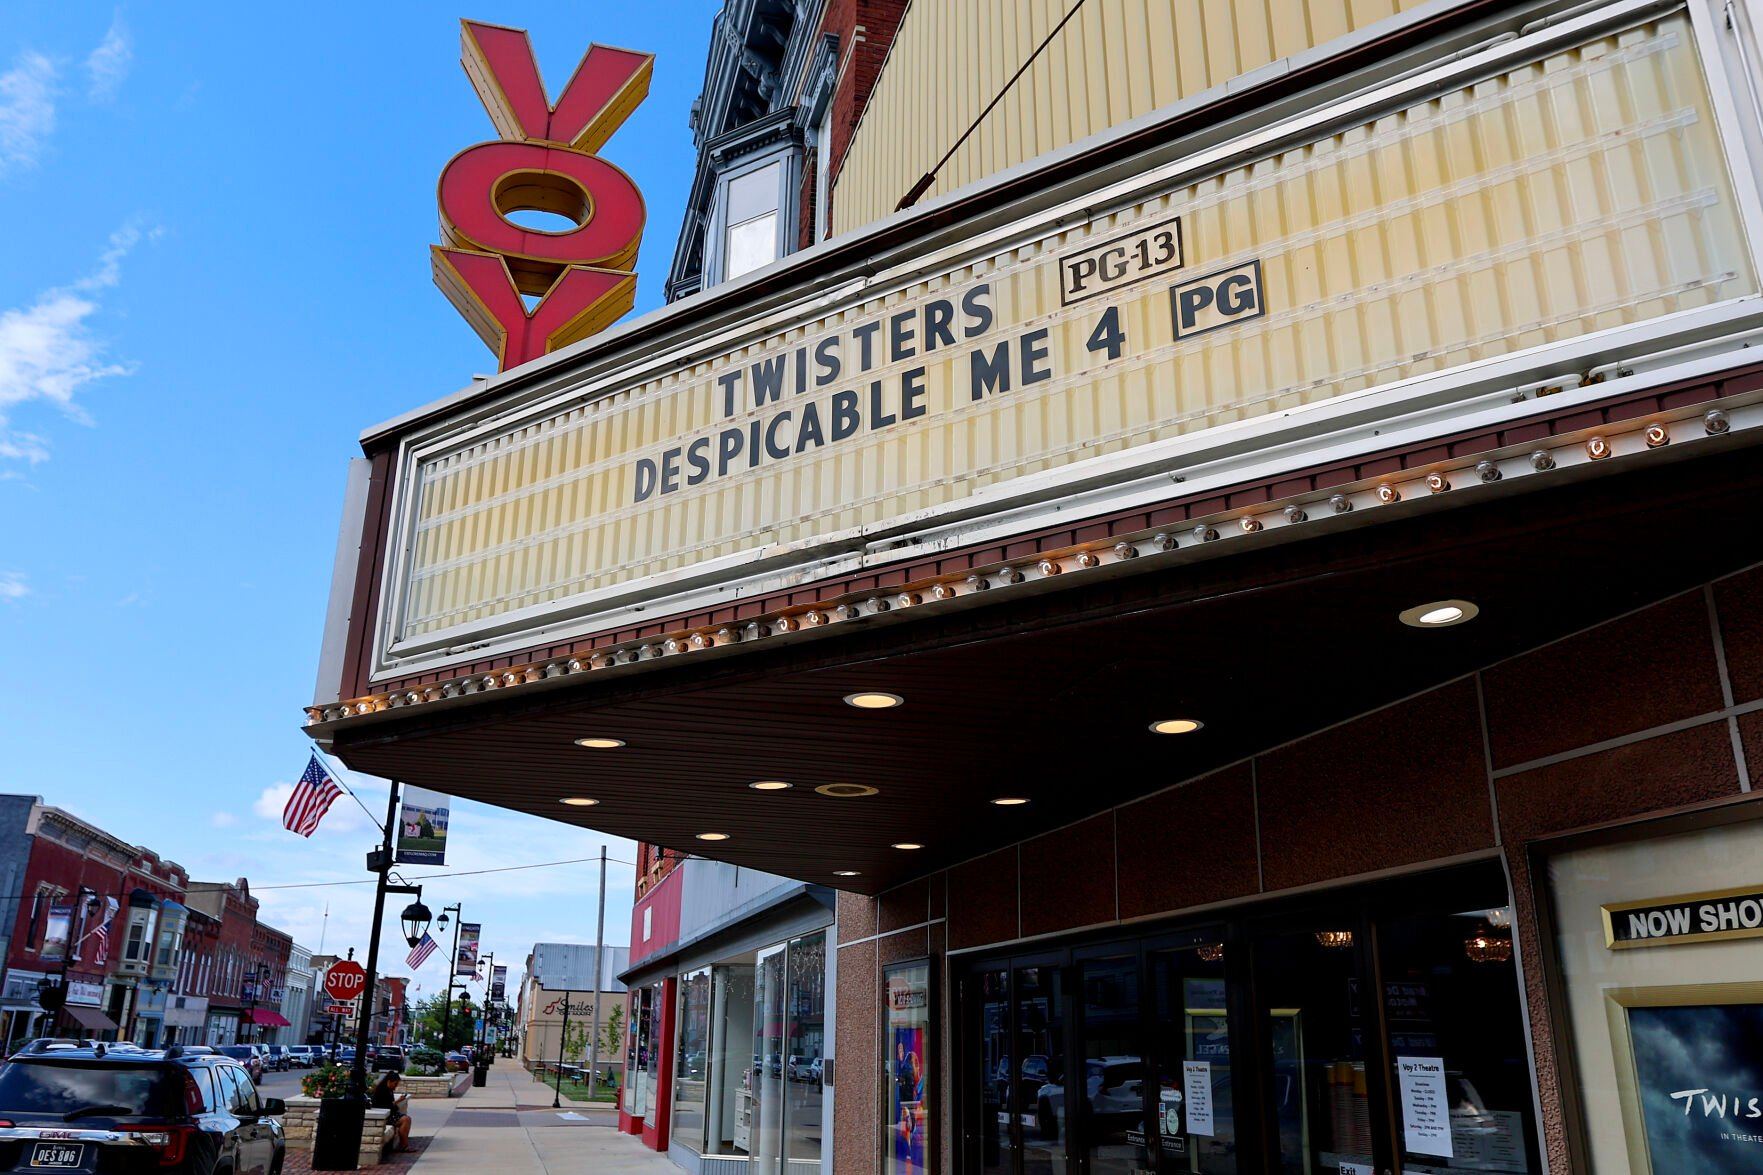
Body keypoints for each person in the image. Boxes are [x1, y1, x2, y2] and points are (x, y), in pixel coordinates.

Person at [370, 1071, 411, 1151]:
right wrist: (398, 1101)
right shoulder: (381, 1091)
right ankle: (404, 1146)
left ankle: (404, 1145)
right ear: (389, 1081)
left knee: (407, 1119)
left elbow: (391, 1105)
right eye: (395, 1084)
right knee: (405, 1120)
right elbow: (384, 1106)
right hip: (385, 1116)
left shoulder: (389, 1090)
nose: (395, 1087)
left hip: (390, 1114)